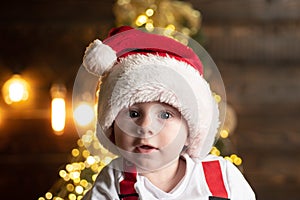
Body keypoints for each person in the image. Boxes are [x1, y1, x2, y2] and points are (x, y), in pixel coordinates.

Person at [79, 26, 256, 200]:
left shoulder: (222, 178)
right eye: (133, 114)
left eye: (165, 115)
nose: (146, 127)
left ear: (190, 133)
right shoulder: (113, 182)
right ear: (112, 127)